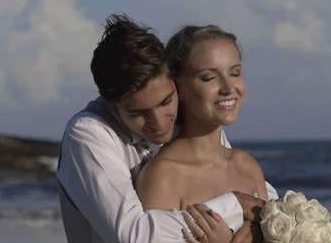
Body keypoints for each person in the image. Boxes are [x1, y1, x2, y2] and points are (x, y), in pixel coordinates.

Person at [56, 14, 278, 243]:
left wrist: (263, 222)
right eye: (138, 113)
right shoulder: (89, 133)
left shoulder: (208, 135)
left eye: (165, 102)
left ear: (174, 85)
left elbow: (252, 194)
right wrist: (234, 205)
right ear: (112, 104)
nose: (160, 122)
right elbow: (133, 236)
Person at [136, 25, 269, 243]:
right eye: (209, 78)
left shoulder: (247, 166)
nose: (228, 87)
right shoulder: (163, 175)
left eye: (235, 72)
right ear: (178, 88)